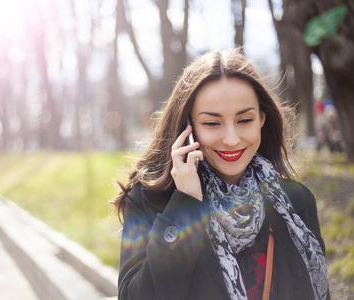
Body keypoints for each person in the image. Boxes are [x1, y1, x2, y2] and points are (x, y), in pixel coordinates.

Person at [113, 49, 330, 300]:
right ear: (187, 128)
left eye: (244, 120)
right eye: (212, 123)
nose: (231, 139)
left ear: (261, 118)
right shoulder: (150, 201)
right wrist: (184, 207)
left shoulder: (296, 202)